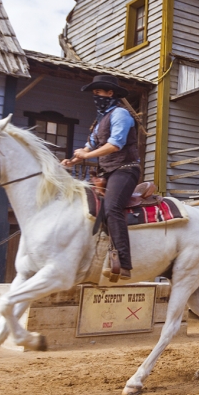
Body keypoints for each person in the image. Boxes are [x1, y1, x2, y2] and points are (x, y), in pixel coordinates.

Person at [61, 75, 139, 280]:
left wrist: (86, 155)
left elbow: (115, 145)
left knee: (112, 207)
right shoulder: (99, 121)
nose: (95, 97)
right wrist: (72, 161)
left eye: (98, 93)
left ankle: (123, 263)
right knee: (80, 201)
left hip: (125, 169)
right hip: (107, 172)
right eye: (94, 94)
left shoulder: (120, 114)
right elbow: (90, 147)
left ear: (110, 93)